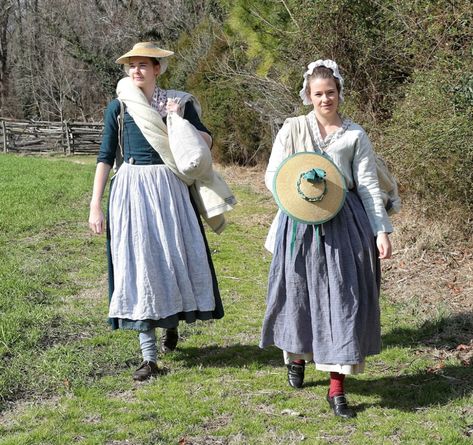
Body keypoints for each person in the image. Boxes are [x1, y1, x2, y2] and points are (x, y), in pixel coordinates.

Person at [260, 59, 393, 418]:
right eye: (318, 94)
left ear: (339, 93)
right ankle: (297, 356)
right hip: (299, 224)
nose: (324, 100)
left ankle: (337, 388)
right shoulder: (292, 129)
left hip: (343, 226)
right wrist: (298, 196)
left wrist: (380, 230)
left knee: (342, 300)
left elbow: (367, 186)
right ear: (308, 95)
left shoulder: (354, 136)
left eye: (330, 93)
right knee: (298, 294)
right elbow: (273, 174)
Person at [88, 42, 225, 381]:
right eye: (131, 66)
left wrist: (179, 121)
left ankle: (171, 321)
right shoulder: (119, 108)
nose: (136, 71)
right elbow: (106, 156)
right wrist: (95, 204)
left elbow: (206, 142)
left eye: (143, 65)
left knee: (172, 259)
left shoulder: (177, 102)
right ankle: (149, 357)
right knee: (139, 267)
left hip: (169, 190)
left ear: (157, 69)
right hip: (131, 192)